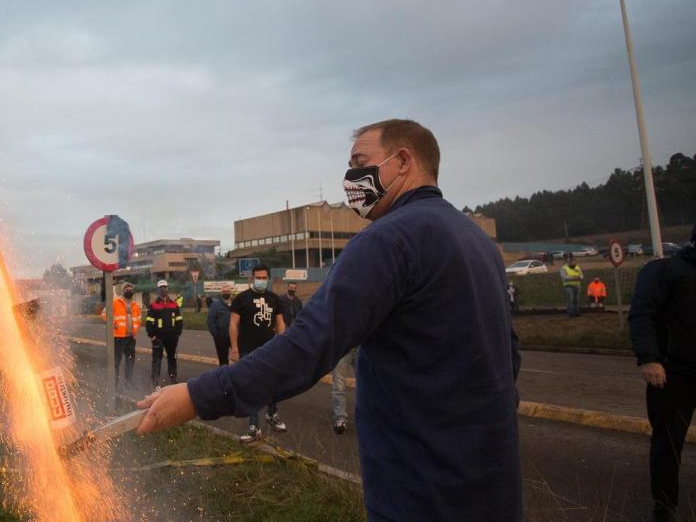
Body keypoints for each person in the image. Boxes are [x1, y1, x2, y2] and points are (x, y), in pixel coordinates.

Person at [137, 119, 522, 521]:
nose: (351, 179)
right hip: (492, 483)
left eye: (360, 163)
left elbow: (309, 344)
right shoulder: (478, 242)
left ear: (403, 160)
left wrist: (199, 396)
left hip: (421, 492)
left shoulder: (388, 239)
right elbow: (507, 356)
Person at [629, 224, 696, 522]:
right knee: (668, 443)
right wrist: (650, 359)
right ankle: (665, 507)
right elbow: (642, 313)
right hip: (673, 374)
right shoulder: (665, 270)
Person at [229, 264, 287, 443]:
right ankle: (254, 427)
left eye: (264, 277)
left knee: (272, 384)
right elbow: (233, 325)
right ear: (251, 279)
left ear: (268, 279)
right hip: (247, 349)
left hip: (270, 350)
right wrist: (235, 349)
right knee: (251, 387)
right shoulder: (241, 298)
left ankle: (272, 414)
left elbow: (280, 323)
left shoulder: (274, 298)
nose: (261, 280)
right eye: (258, 277)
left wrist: (282, 344)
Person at [101, 281, 142, 390]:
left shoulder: (135, 305)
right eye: (127, 289)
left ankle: (128, 382)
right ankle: (114, 384)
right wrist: (114, 323)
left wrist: (135, 330)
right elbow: (104, 314)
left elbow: (138, 319)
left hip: (130, 338)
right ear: (123, 290)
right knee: (116, 362)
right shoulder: (115, 302)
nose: (129, 291)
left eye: (131, 289)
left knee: (130, 361)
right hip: (118, 338)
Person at [145, 279, 182, 387]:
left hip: (172, 338)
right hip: (158, 338)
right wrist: (152, 336)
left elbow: (179, 320)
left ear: (167, 288)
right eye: (161, 287)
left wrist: (177, 334)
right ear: (158, 290)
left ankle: (173, 378)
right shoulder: (153, 306)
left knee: (172, 358)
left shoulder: (174, 305)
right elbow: (149, 323)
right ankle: (155, 380)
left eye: (164, 287)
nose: (163, 289)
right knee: (157, 359)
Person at [330, 348, 357, 434]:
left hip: (361, 348)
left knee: (366, 386)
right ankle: (340, 419)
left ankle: (368, 419)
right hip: (342, 348)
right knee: (339, 386)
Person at [206, 285, 232, 366]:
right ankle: (224, 376)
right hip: (221, 337)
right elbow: (210, 321)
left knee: (239, 357)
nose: (226, 293)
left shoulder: (236, 304)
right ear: (221, 293)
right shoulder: (215, 305)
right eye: (224, 292)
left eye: (227, 291)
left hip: (234, 336)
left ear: (231, 293)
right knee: (223, 359)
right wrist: (216, 335)